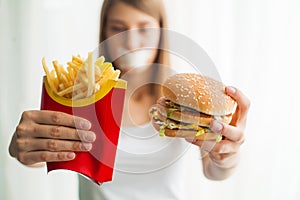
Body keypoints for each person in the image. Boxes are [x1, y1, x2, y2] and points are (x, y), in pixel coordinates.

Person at [8, 0, 250, 199]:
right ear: (104, 32)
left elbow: (214, 171)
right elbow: (46, 155)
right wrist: (26, 147)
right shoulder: (80, 92)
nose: (132, 43)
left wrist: (225, 156)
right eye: (118, 28)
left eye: (144, 29)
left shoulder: (185, 94)